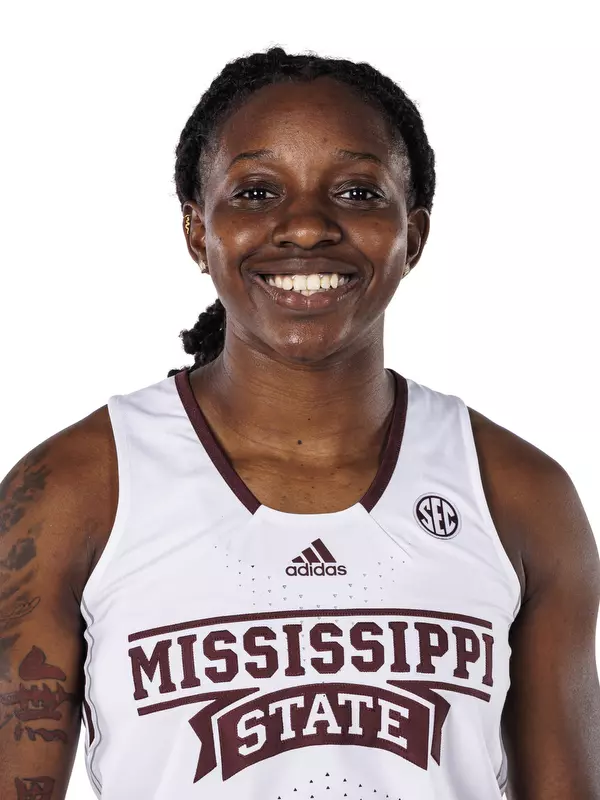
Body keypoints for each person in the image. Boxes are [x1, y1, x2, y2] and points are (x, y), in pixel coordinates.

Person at [1, 45, 599, 800]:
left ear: (411, 236)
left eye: (356, 190)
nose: (307, 226)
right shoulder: (72, 489)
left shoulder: (520, 493)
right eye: (255, 193)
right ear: (198, 233)